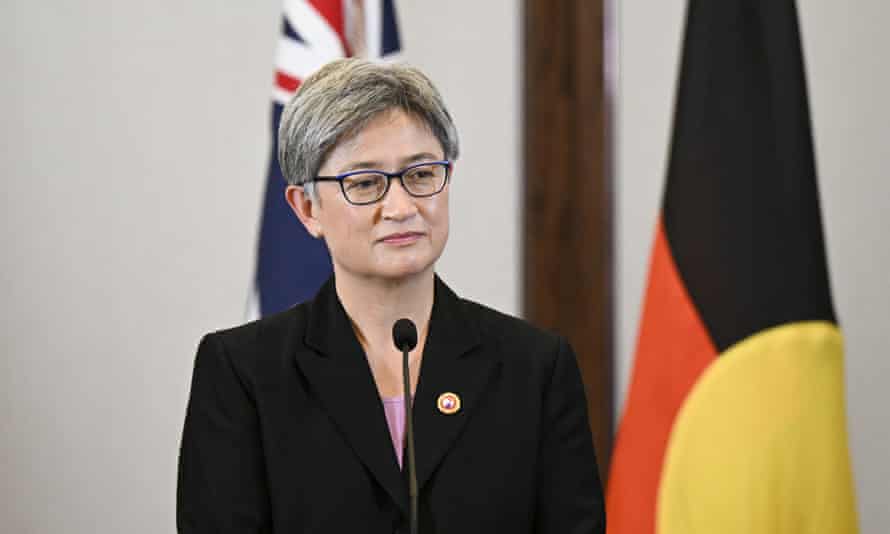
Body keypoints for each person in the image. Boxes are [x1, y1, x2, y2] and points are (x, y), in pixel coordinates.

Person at [177, 58, 605, 533]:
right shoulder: (243, 373)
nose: (401, 208)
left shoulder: (536, 368)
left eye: (421, 175)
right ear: (306, 209)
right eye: (364, 183)